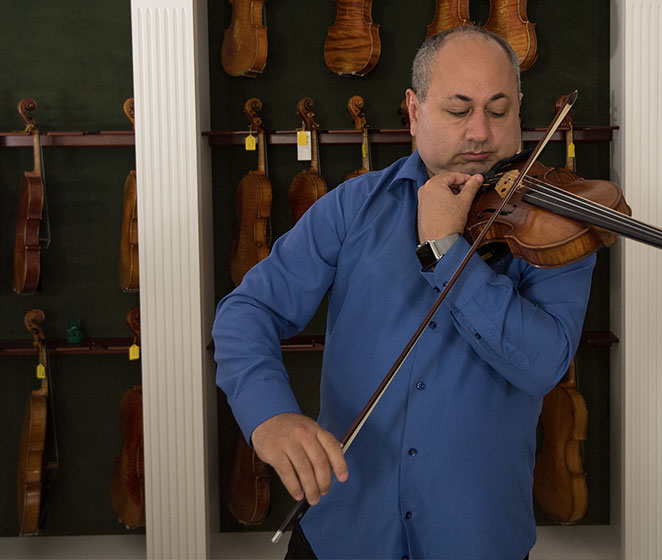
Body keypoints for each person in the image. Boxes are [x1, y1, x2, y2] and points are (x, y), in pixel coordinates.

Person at [213, 25, 595, 560]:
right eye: (459, 110)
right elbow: (248, 310)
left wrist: (444, 248)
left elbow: (542, 364)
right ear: (414, 111)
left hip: (477, 538)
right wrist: (267, 414)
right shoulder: (352, 208)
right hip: (342, 532)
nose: (480, 133)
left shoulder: (555, 227)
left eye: (500, 110)